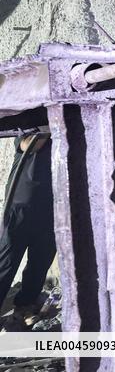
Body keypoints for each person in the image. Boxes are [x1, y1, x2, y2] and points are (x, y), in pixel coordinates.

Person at [0, 134, 56, 330]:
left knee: (40, 261)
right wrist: (50, 126)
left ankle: (24, 307)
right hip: (21, 204)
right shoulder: (33, 125)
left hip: (52, 207)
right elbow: (28, 145)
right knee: (6, 262)